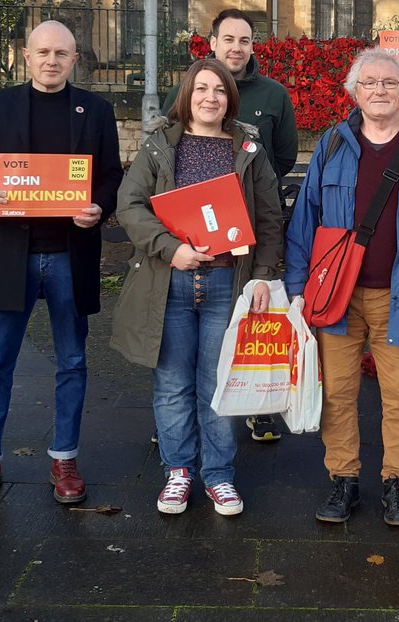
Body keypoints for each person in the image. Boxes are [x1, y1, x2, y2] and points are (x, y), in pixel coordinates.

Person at [0, 21, 123, 506]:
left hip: (70, 254)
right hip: (10, 254)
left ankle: (65, 459)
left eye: (61, 53)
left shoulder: (96, 111)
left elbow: (108, 178)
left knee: (73, 361)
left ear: (75, 59)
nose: (52, 60)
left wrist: (101, 206)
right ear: (26, 55)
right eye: (43, 52)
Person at [285, 48, 399, 527]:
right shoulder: (330, 146)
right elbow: (304, 222)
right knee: (339, 393)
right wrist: (297, 285)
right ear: (354, 92)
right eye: (370, 83)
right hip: (336, 299)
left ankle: (397, 484)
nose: (380, 90)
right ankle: (342, 479)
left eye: (389, 82)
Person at [112, 58, 284, 515]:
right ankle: (178, 472)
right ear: (187, 94)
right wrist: (171, 249)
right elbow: (130, 207)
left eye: (221, 90)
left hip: (229, 281)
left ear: (231, 98)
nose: (211, 97)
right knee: (171, 384)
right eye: (203, 88)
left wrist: (265, 276)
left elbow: (268, 216)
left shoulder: (247, 147)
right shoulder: (159, 146)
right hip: (170, 283)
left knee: (218, 385)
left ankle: (219, 476)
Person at [163, 8, 295, 443]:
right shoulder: (187, 91)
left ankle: (254, 409)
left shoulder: (273, 95)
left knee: (239, 343)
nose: (236, 47)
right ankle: (179, 433)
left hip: (246, 234)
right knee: (180, 368)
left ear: (253, 46)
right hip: (189, 251)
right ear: (212, 43)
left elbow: (285, 155)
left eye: (244, 40)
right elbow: (165, 159)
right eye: (228, 39)